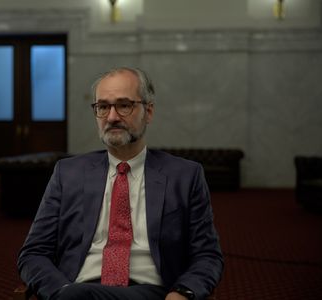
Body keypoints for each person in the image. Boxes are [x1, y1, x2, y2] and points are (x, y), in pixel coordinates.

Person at [17, 67, 223, 300]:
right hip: (76, 289)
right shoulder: (68, 173)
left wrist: (183, 292)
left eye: (124, 105)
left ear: (149, 111)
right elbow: (33, 252)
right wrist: (60, 291)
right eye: (103, 107)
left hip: (150, 291)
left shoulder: (185, 176)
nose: (112, 117)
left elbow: (207, 255)